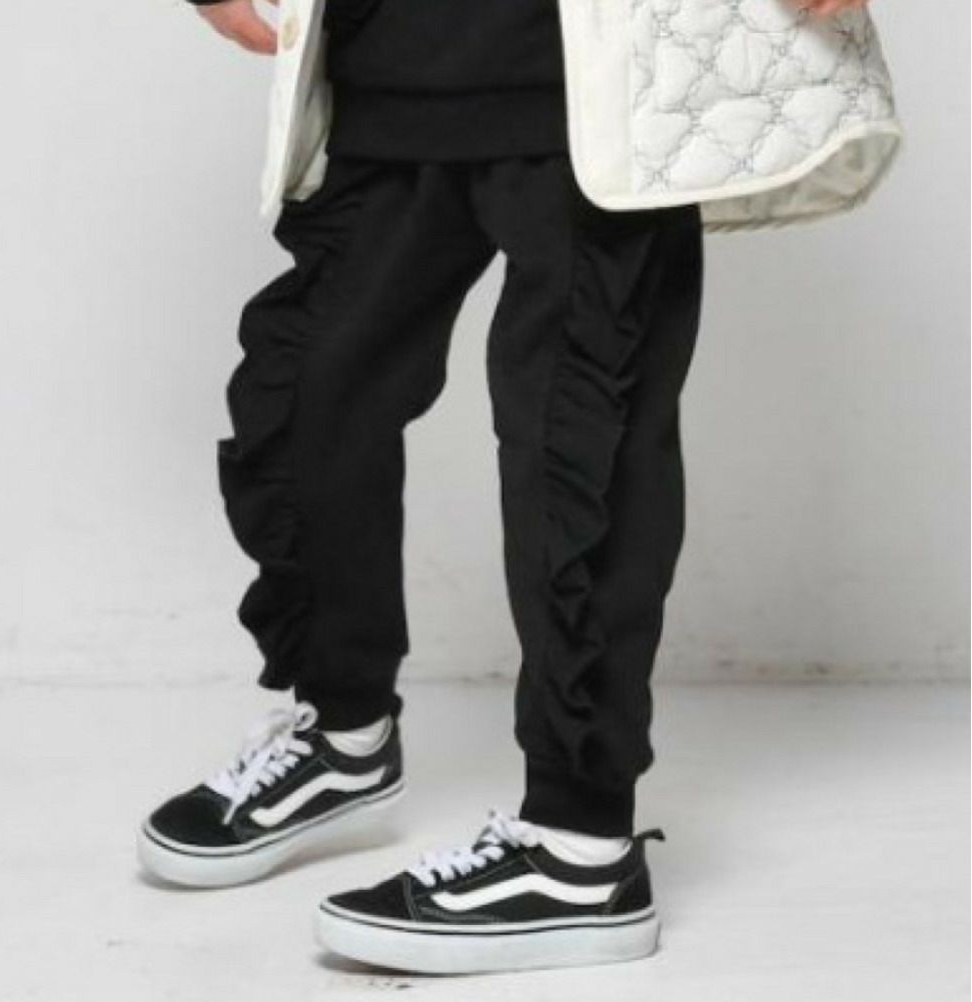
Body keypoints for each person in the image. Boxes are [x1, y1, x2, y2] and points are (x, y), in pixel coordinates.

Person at [137, 0, 899, 975]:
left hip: (591, 81)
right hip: (389, 53)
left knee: (574, 443)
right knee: (311, 391)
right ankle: (343, 734)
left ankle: (580, 847)